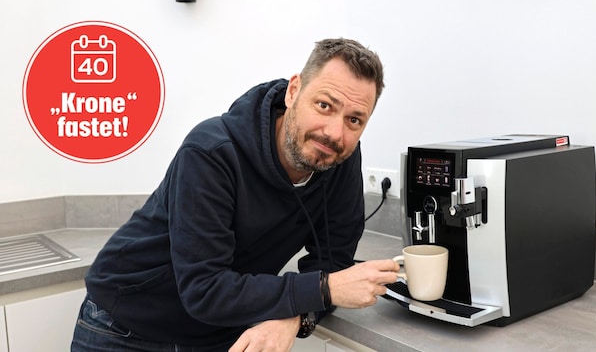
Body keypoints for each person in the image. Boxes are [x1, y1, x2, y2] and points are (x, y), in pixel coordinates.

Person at [71, 38, 399, 352]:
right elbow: (205, 290)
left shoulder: (338, 157)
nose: (334, 132)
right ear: (294, 90)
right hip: (125, 327)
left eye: (354, 120)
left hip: (221, 332)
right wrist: (323, 290)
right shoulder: (211, 151)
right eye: (325, 105)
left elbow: (333, 262)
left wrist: (295, 316)